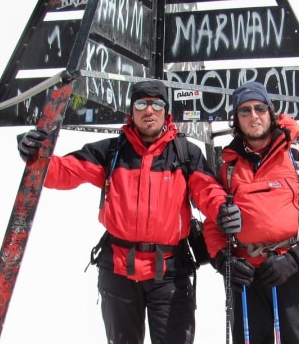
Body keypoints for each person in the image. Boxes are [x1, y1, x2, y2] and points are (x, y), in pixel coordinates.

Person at [17, 79, 242, 344]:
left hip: (170, 272)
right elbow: (62, 172)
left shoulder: (184, 154)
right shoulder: (111, 152)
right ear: (131, 111)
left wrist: (222, 210)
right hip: (118, 271)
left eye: (156, 104)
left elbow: (208, 191)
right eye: (141, 103)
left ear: (166, 112)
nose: (149, 110)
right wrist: (36, 155)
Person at [203, 81, 299, 344]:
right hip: (248, 277)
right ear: (236, 119)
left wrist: (297, 256)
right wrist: (224, 259)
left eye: (259, 108)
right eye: (244, 111)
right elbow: (213, 221)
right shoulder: (228, 168)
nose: (253, 116)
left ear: (271, 112)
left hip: (295, 271)